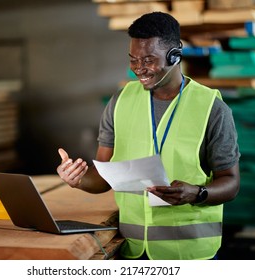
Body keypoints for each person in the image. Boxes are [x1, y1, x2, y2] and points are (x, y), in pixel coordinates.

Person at [56, 12, 240, 260]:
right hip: (132, 250)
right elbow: (103, 177)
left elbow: (231, 183)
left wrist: (197, 193)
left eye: (149, 60)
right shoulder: (120, 101)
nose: (138, 69)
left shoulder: (211, 108)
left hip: (190, 255)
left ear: (174, 56)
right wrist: (78, 180)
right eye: (133, 60)